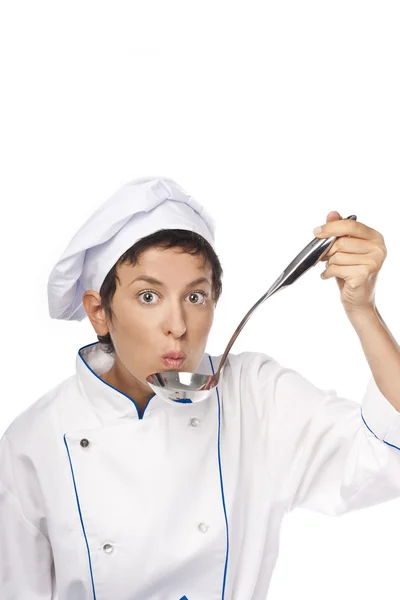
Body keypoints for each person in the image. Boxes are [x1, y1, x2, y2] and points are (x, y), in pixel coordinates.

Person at [1, 176, 400, 600]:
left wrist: (364, 311)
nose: (178, 326)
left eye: (196, 297)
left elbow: (382, 454)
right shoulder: (34, 442)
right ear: (100, 312)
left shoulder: (253, 398)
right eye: (149, 296)